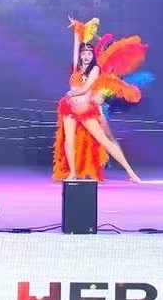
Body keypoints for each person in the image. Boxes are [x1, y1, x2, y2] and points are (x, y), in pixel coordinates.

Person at [52, 16, 145, 183]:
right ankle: (72, 173)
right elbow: (76, 47)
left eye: (89, 54)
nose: (86, 56)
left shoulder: (95, 69)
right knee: (69, 140)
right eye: (84, 54)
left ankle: (130, 171)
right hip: (68, 108)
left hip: (85, 109)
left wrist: (71, 93)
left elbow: (85, 89)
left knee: (104, 140)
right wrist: (77, 30)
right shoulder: (76, 67)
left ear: (92, 56)